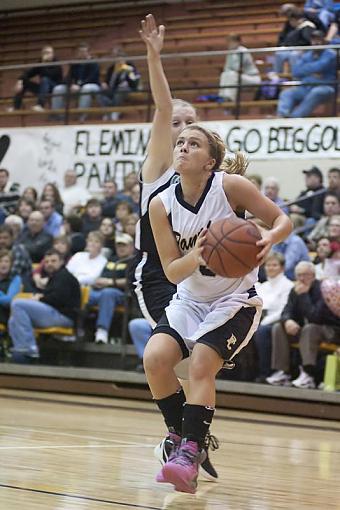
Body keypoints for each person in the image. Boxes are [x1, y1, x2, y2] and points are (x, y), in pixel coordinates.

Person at [146, 117, 291, 492]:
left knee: (200, 364)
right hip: (190, 298)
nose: (183, 148)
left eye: (193, 144)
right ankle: (184, 438)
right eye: (180, 143)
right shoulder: (160, 205)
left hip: (235, 299)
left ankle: (189, 450)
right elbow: (174, 272)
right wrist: (200, 252)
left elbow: (282, 219)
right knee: (155, 358)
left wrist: (270, 237)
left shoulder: (230, 187)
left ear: (210, 161)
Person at [132, 14, 218, 482]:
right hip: (160, 276)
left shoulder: (207, 176)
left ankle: (185, 439)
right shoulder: (160, 162)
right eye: (176, 122)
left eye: (192, 124)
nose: (183, 127)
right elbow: (163, 107)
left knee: (203, 359)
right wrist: (154, 55)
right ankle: (182, 436)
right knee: (173, 357)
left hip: (204, 277)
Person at [266, 261, 340, 389]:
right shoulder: (295, 290)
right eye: (298, 275)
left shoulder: (323, 289)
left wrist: (304, 296)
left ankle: (308, 374)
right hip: (307, 331)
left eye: (305, 275)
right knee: (279, 327)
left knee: (309, 329)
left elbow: (315, 317)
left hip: (330, 330)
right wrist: (288, 320)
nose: (301, 278)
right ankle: (283, 372)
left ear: (313, 275)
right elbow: (286, 311)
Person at [9, 249, 80, 362]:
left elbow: (58, 299)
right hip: (54, 313)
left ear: (62, 262)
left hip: (64, 317)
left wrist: (40, 298)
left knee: (18, 304)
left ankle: (29, 349)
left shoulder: (64, 276)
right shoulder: (55, 277)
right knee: (13, 319)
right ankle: (20, 351)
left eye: (53, 261)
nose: (49, 264)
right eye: (46, 262)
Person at [277, 30, 336, 118]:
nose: (316, 43)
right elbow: (296, 71)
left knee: (316, 92)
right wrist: (312, 72)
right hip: (306, 86)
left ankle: (295, 118)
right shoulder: (307, 55)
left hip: (325, 86)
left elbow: (320, 66)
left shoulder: (331, 54)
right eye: (313, 40)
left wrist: (306, 70)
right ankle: (282, 116)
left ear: (324, 40)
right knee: (287, 93)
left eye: (318, 40)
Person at [253, 252, 294, 382]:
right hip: (259, 319)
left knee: (261, 331)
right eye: (268, 265)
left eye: (274, 265)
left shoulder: (288, 285)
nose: (270, 268)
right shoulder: (263, 286)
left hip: (277, 321)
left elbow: (283, 310)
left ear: (282, 268)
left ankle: (265, 372)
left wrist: (263, 322)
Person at [88, 232, 134, 344]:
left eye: (124, 245)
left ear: (131, 247)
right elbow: (102, 275)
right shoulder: (111, 259)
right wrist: (98, 281)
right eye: (119, 245)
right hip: (100, 290)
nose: (121, 248)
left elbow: (131, 281)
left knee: (108, 293)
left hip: (122, 294)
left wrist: (109, 282)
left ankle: (102, 331)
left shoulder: (134, 261)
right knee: (83, 293)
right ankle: (78, 329)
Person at [51, 42, 100, 118]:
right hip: (76, 86)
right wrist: (70, 85)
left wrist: (79, 85)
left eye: (84, 51)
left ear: (88, 52)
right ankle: (58, 115)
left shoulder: (93, 63)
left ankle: (82, 115)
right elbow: (68, 77)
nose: (82, 53)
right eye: (80, 52)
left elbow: (92, 78)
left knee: (86, 88)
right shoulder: (75, 64)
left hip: (93, 85)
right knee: (58, 89)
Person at [10, 45, 63, 111]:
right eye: (45, 53)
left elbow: (50, 74)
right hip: (43, 89)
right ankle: (16, 107)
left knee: (45, 79)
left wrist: (43, 63)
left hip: (55, 87)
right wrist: (20, 81)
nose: (47, 55)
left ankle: (40, 105)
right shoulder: (40, 62)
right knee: (24, 82)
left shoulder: (57, 63)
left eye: (49, 53)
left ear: (53, 54)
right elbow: (28, 73)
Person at [99, 47, 141, 121]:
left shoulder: (130, 68)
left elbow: (135, 80)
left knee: (122, 90)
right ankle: (107, 112)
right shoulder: (111, 68)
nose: (119, 62)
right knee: (101, 92)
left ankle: (115, 110)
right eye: (118, 60)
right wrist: (104, 83)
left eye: (121, 60)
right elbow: (108, 81)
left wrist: (128, 80)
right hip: (113, 88)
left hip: (127, 88)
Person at [218, 33, 261, 102]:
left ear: (237, 42)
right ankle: (222, 97)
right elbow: (226, 69)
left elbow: (237, 68)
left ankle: (230, 99)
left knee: (232, 74)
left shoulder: (243, 51)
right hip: (239, 78)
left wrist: (230, 72)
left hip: (251, 78)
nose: (229, 44)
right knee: (224, 74)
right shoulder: (230, 53)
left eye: (231, 41)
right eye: (228, 42)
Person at [0, 249, 21, 326]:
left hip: (5, 313)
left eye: (6, 261)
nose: (3, 264)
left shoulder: (15, 278)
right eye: (1, 261)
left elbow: (9, 301)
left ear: (11, 264)